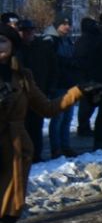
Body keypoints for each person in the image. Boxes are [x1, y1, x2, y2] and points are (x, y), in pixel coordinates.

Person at [0, 24, 92, 223]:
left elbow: (49, 108)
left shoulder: (23, 77)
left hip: (13, 155)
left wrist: (77, 91)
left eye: (2, 41)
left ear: (13, 46)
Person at [75, 11, 102, 151]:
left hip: (101, 77)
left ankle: (95, 136)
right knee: (100, 109)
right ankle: (98, 139)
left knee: (99, 109)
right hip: (101, 78)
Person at [16, 19, 57, 161]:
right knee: (22, 126)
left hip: (39, 90)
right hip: (19, 94)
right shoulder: (15, 49)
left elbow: (53, 67)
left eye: (29, 31)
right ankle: (23, 155)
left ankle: (36, 155)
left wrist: (50, 86)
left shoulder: (42, 47)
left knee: (36, 126)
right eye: (23, 31)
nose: (27, 34)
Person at [45, 17, 78, 159]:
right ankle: (56, 148)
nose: (67, 27)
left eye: (68, 24)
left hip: (68, 82)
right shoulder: (50, 40)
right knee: (58, 117)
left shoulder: (67, 40)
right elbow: (51, 61)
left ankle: (65, 145)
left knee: (68, 118)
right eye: (64, 24)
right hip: (57, 83)